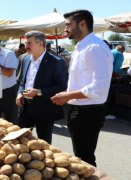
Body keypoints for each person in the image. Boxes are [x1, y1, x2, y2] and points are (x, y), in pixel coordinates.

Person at [51, 10, 113, 167]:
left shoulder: (95, 48)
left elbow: (99, 87)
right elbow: (81, 81)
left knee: (85, 159)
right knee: (81, 156)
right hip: (78, 109)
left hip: (88, 112)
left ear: (82, 24)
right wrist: (67, 94)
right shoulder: (81, 47)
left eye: (68, 25)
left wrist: (68, 95)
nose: (66, 29)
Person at [16, 31, 68, 144]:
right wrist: (20, 93)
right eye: (25, 43)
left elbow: (62, 85)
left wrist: (39, 92)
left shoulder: (56, 62)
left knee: (43, 143)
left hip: (45, 108)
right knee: (21, 139)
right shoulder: (25, 59)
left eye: (29, 43)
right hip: (25, 107)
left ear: (40, 44)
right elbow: (21, 82)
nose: (26, 46)